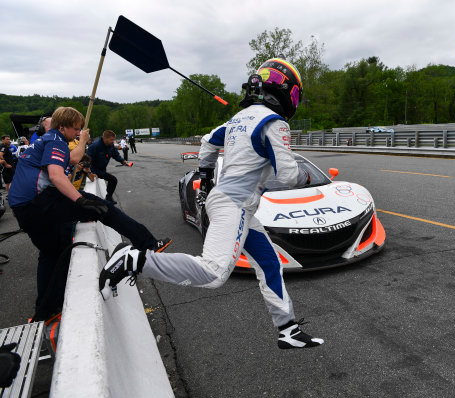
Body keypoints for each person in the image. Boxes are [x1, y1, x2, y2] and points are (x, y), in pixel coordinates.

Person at [99, 58, 323, 349]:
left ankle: (288, 329)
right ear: (283, 90)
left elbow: (207, 142)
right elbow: (290, 175)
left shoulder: (236, 121)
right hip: (236, 204)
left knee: (268, 262)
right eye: (294, 95)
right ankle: (133, 260)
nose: (293, 102)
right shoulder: (274, 122)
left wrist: (205, 174)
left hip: (230, 201)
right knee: (213, 272)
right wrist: (306, 176)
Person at [8, 107, 172, 321]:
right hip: (39, 203)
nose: (78, 133)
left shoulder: (44, 140)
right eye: (76, 129)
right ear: (62, 127)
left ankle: (46, 311)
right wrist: (81, 201)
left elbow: (73, 159)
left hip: (23, 210)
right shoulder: (55, 140)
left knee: (51, 253)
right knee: (104, 209)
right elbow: (57, 177)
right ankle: (147, 243)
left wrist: (83, 139)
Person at [86, 130, 131, 204]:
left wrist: (123, 161)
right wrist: (90, 172)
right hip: (95, 170)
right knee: (113, 179)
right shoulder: (94, 146)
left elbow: (116, 155)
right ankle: (108, 198)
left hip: (102, 169)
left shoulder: (110, 146)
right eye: (111, 139)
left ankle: (108, 197)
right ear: (105, 138)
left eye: (114, 139)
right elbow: (87, 161)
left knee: (112, 181)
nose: (113, 141)